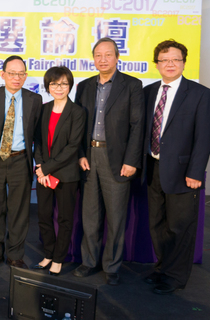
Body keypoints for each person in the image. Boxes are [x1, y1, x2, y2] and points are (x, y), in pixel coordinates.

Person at [142, 40, 210, 294]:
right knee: (157, 224)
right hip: (153, 169)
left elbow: (204, 136)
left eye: (175, 59)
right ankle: (162, 269)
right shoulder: (149, 91)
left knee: (179, 227)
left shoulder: (200, 94)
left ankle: (175, 277)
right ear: (157, 64)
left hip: (184, 174)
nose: (170, 64)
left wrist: (196, 172)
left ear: (184, 62)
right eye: (164, 60)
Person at [73, 37, 144, 286]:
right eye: (98, 55)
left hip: (118, 160)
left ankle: (112, 266)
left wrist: (132, 160)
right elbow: (78, 125)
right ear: (93, 59)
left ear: (117, 57)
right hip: (89, 157)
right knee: (90, 214)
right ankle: (88, 261)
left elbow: (137, 126)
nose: (102, 59)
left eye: (108, 55)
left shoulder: (132, 85)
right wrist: (80, 153)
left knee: (116, 217)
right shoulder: (84, 86)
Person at [0, 56, 42, 270]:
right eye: (12, 73)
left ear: (25, 76)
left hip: (20, 159)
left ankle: (15, 254)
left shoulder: (35, 100)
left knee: (19, 210)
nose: (16, 78)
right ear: (3, 74)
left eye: (21, 74)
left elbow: (38, 134)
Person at [33, 66, 85, 276]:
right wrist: (40, 167)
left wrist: (47, 167)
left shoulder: (77, 112)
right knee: (43, 216)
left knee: (64, 219)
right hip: (43, 174)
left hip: (66, 174)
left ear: (70, 86)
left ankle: (59, 258)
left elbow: (73, 147)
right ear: (48, 86)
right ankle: (48, 254)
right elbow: (37, 140)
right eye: (54, 84)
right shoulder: (44, 109)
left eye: (63, 83)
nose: (59, 88)